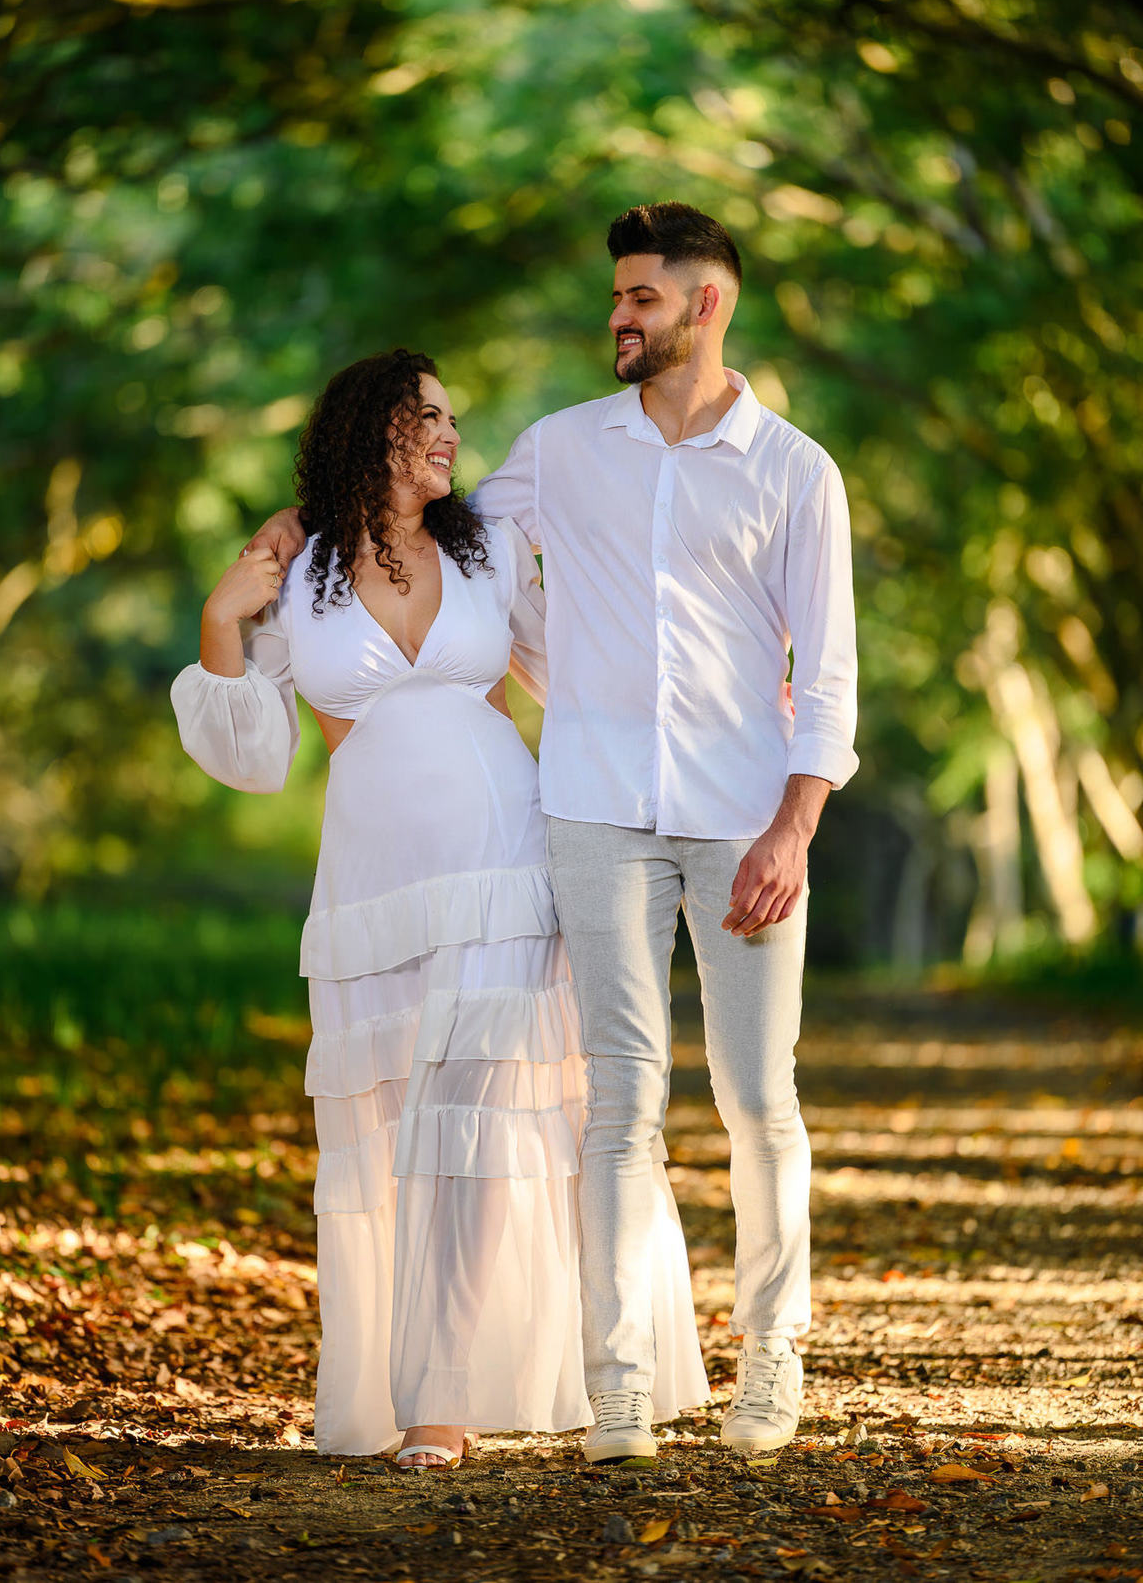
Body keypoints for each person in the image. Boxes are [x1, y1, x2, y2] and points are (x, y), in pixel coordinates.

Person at [252, 202, 859, 1462]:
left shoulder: (796, 471)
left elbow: (834, 677)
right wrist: (297, 532)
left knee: (758, 1098)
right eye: (616, 298)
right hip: (587, 812)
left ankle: (773, 1362)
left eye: (640, 297)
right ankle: (616, 1380)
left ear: (707, 304)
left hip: (745, 817)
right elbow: (421, 528)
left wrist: (794, 825)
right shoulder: (560, 449)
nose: (618, 318)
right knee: (616, 1104)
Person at [172, 348, 708, 1469]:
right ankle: (415, 1385)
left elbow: (584, 669)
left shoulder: (489, 549)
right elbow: (253, 756)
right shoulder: (301, 569)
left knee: (473, 1119)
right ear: (373, 430)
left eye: (454, 417)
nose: (451, 435)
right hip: (372, 878)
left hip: (505, 855)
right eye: (428, 416)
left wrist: (726, 711)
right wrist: (224, 623)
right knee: (392, 1134)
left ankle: (441, 1404)